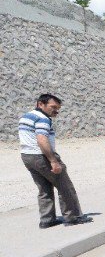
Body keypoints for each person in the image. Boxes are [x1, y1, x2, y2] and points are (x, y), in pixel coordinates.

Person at [20, 93, 90, 228]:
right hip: (42, 156)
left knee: (44, 189)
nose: (56, 110)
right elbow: (41, 139)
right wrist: (53, 161)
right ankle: (73, 217)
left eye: (58, 108)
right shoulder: (43, 119)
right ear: (41, 104)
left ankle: (47, 219)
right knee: (65, 187)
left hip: (27, 156)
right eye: (53, 107)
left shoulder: (26, 116)